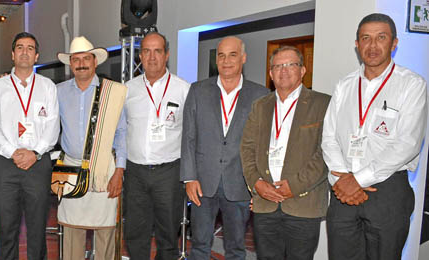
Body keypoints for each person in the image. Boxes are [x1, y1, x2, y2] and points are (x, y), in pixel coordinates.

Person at [321, 13, 427, 260]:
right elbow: (329, 137)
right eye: (365, 38)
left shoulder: (412, 84)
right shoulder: (344, 85)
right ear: (357, 45)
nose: (372, 45)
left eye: (381, 37)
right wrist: (342, 178)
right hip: (343, 190)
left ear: (394, 43)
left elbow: (408, 144)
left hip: (387, 190)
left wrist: (358, 179)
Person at [181, 36, 269, 259]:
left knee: (236, 248)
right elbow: (189, 137)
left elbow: (263, 145)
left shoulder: (260, 95)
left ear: (243, 58)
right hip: (202, 182)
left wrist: (258, 184)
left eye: (233, 55)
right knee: (199, 244)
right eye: (221, 55)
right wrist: (189, 177)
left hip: (240, 183)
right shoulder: (198, 90)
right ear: (216, 60)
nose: (226, 61)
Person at [240, 46, 330, 260]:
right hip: (265, 202)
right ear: (271, 74)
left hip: (303, 204)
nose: (284, 70)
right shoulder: (260, 106)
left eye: (291, 64)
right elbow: (247, 148)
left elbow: (326, 151)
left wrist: (295, 186)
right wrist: (257, 183)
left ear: (303, 70)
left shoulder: (323, 104)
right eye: (278, 66)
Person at [0, 32, 60, 260]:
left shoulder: (48, 87)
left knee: (37, 230)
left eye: (30, 48)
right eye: (20, 47)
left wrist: (35, 153)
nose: (24, 51)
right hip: (6, 165)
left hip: (38, 165)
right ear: (12, 54)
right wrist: (12, 152)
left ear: (36, 56)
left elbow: (53, 126)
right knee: (7, 229)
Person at [56, 36, 127, 260]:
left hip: (104, 169)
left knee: (105, 230)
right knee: (71, 231)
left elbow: (121, 132)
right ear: (70, 64)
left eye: (86, 58)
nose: (81, 63)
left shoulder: (112, 93)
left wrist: (119, 171)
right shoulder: (57, 91)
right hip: (70, 169)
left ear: (95, 62)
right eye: (76, 59)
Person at [123, 32, 190, 260]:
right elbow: (120, 131)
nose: (152, 57)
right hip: (135, 173)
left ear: (167, 55)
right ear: (140, 55)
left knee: (168, 235)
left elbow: (191, 135)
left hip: (169, 173)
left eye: (158, 51)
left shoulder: (183, 89)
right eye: (147, 51)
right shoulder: (128, 90)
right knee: (134, 233)